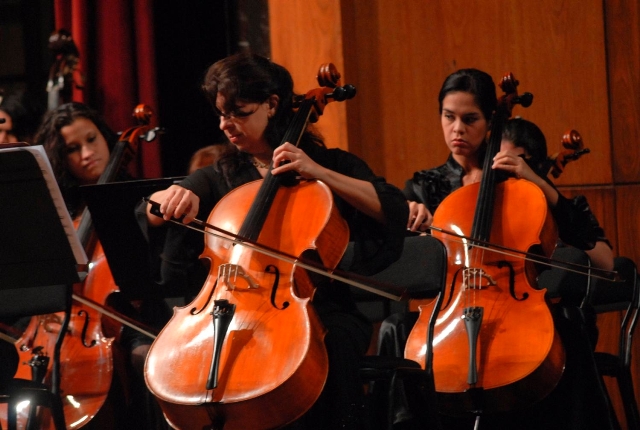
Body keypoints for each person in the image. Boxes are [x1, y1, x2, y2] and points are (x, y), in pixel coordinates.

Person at [140, 52, 409, 429]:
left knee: (331, 347)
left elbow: (391, 208)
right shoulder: (222, 173)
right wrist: (173, 195)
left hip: (318, 308)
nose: (226, 125)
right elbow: (149, 211)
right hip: (230, 308)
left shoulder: (331, 165)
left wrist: (318, 172)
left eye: (239, 112)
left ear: (272, 105)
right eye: (221, 113)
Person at [34, 102, 170, 430]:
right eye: (72, 149)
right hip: (60, 325)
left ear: (107, 138)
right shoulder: (59, 212)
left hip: (131, 320)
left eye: (92, 140)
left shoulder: (140, 199)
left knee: (147, 359)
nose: (86, 154)